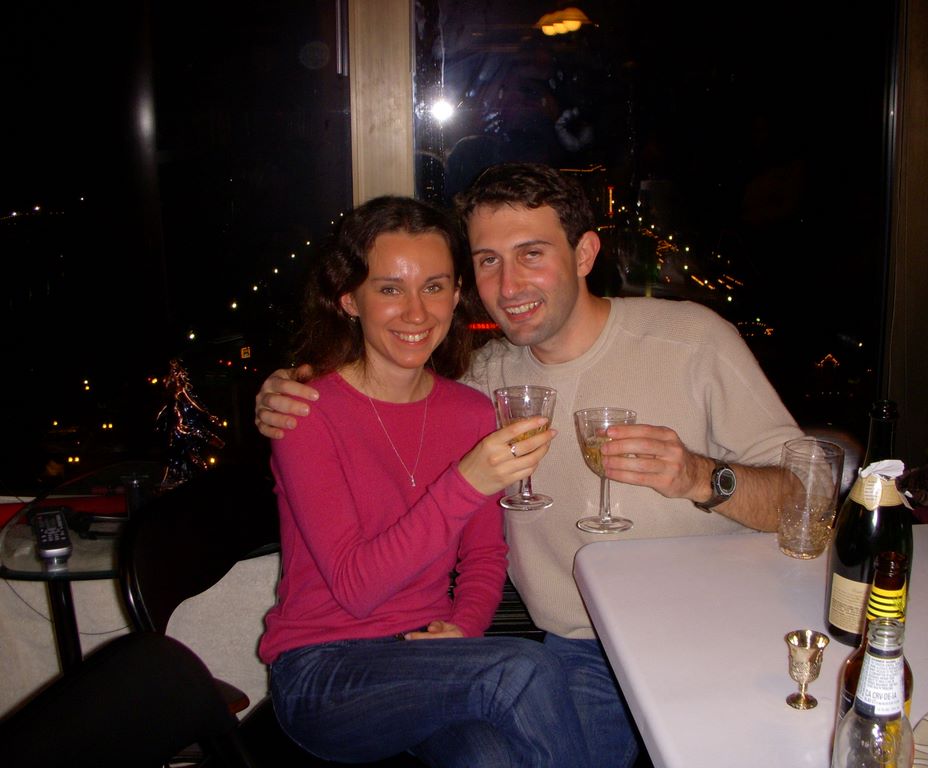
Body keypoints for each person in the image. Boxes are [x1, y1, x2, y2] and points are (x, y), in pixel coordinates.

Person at [255, 164, 804, 768]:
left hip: (713, 630)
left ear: (585, 253)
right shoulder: (486, 383)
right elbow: (377, 401)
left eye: (531, 254)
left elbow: (809, 503)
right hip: (578, 649)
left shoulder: (692, 340)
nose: (509, 283)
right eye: (488, 260)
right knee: (521, 683)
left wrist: (700, 477)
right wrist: (285, 390)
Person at [257, 194, 589, 768]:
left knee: (492, 759)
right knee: (521, 669)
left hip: (430, 657)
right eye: (390, 289)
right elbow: (357, 588)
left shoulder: (472, 413)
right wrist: (468, 480)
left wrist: (463, 628)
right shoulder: (305, 413)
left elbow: (484, 556)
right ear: (349, 299)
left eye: (434, 287)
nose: (416, 313)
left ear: (456, 295)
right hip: (325, 671)